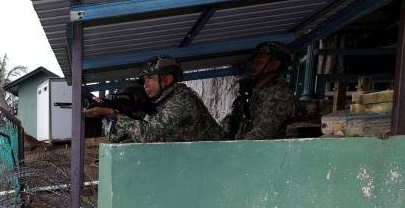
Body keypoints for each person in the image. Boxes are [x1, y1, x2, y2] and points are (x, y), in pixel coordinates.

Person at [84, 55, 222, 143]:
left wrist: (112, 114)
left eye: (150, 78)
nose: (145, 85)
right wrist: (118, 112)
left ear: (167, 79)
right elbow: (117, 138)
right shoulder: (162, 103)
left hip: (220, 158)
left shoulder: (182, 100)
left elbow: (147, 134)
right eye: (144, 80)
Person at [224, 41, 298, 140]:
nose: (254, 66)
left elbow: (265, 132)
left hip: (268, 151)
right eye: (254, 62)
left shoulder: (279, 93)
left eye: (260, 62)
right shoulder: (257, 90)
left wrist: (236, 145)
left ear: (275, 65)